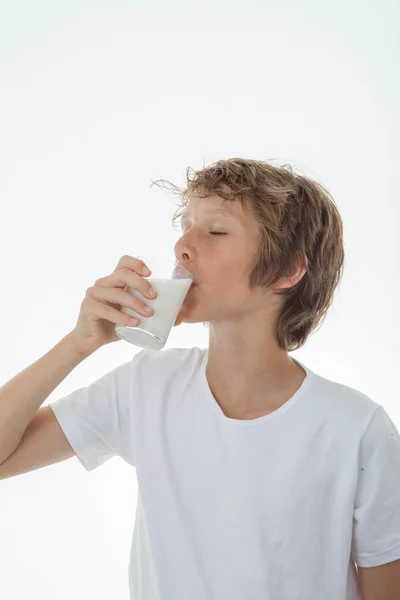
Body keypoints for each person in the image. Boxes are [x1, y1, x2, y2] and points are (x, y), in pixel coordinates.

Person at [1, 158, 399, 599]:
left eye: (215, 231)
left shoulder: (356, 430)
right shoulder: (147, 387)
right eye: (186, 226)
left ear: (288, 270)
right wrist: (79, 344)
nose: (182, 248)